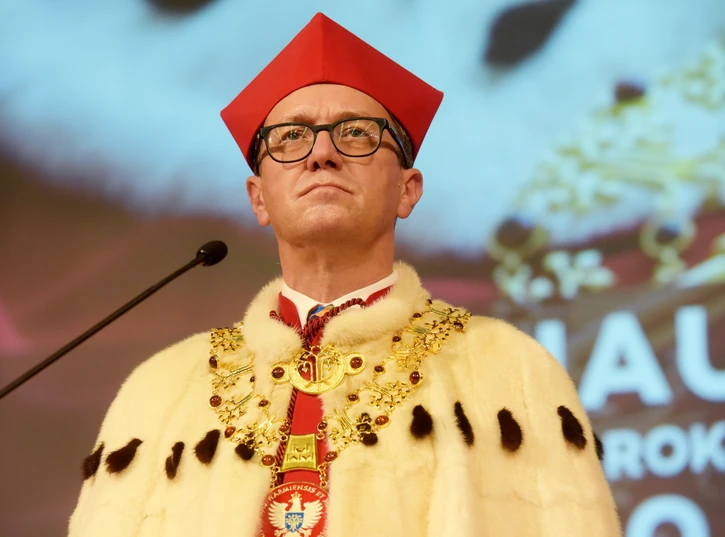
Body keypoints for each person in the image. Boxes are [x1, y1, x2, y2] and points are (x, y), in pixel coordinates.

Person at [68, 12, 621, 537]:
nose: (321, 154)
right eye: (291, 137)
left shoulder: (508, 369)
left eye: (356, 133)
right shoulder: (161, 391)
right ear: (258, 199)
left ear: (407, 190)